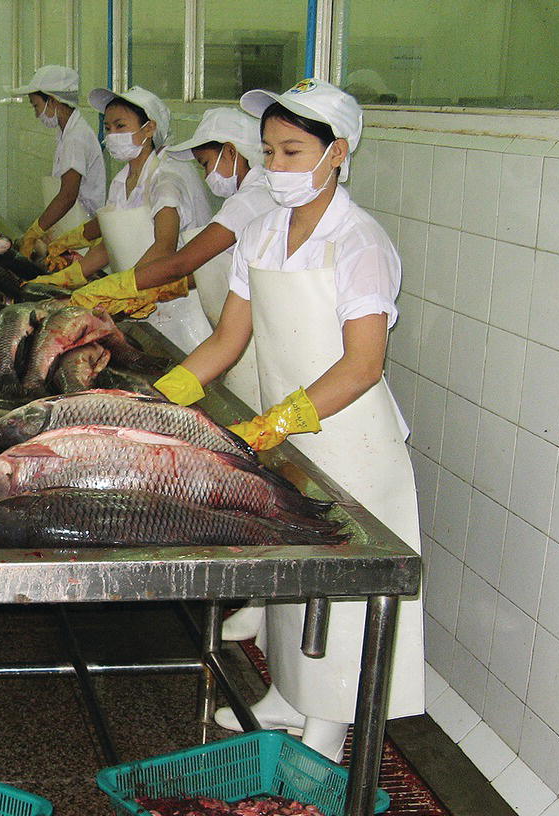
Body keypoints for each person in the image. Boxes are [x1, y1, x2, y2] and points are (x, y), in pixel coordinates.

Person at [152, 79, 424, 762]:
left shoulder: (360, 242)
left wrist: (279, 421)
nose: (276, 166)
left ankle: (328, 726)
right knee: (285, 569)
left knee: (339, 585)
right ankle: (286, 696)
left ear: (339, 152)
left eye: (292, 150)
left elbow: (362, 364)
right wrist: (163, 396)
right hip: (289, 429)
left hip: (350, 435)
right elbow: (227, 338)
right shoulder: (264, 230)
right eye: (269, 151)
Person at [71, 106, 275, 385]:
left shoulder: (251, 199)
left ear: (230, 152)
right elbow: (218, 267)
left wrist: (120, 286)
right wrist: (163, 288)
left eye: (205, 163)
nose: (205, 176)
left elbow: (182, 262)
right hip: (247, 331)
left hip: (255, 335)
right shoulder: (253, 195)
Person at [35, 86, 210, 347]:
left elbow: (164, 247)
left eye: (120, 126)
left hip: (177, 306)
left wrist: (122, 287)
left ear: (149, 129)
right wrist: (69, 277)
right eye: (108, 128)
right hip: (137, 298)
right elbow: (111, 244)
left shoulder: (167, 178)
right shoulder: (121, 181)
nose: (112, 135)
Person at [7, 65, 106, 258]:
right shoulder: (65, 132)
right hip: (71, 226)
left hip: (81, 233)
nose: (36, 114)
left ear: (51, 101)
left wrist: (35, 231)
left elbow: (68, 195)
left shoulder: (75, 138)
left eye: (36, 106)